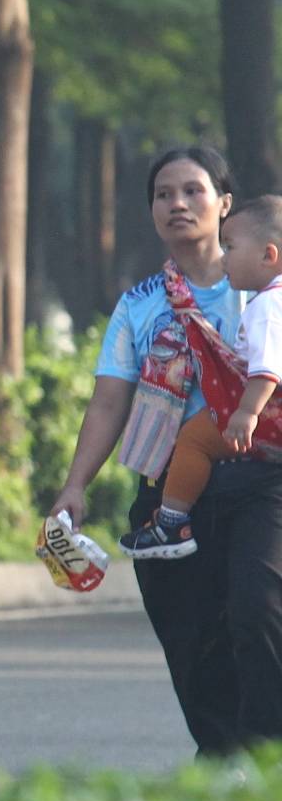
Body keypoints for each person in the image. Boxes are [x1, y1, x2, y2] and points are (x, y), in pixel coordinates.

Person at [48, 145, 247, 755]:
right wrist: (75, 485)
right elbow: (109, 401)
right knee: (186, 636)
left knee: (258, 619)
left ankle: (257, 749)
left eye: (192, 191)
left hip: (256, 481)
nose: (177, 204)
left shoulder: (260, 289)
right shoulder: (139, 304)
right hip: (168, 495)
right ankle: (223, 757)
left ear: (224, 203)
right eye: (164, 194)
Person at [119, 195, 282, 560]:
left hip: (268, 415)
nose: (224, 258)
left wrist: (247, 412)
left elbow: (268, 367)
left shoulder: (268, 305)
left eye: (231, 247)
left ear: (268, 255)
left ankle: (171, 522)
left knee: (194, 439)